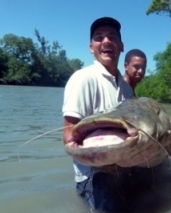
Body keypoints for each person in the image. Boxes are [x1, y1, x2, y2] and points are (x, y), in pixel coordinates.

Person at [62, 17, 134, 212]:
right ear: (91, 47)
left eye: (112, 36)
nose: (106, 41)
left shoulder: (127, 89)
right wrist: (103, 159)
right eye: (99, 37)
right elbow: (68, 135)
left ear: (121, 46)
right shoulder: (82, 79)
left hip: (124, 166)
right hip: (93, 175)